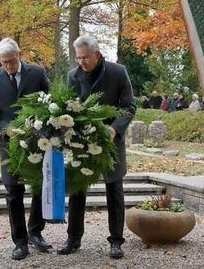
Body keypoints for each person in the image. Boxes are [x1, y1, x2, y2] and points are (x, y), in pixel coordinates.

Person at [58, 35, 136, 260]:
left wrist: (114, 129)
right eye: (77, 57)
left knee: (114, 190)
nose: (80, 61)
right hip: (81, 142)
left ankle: (116, 241)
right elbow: (69, 108)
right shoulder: (72, 75)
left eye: (84, 57)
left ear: (97, 54)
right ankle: (73, 238)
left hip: (111, 141)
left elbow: (129, 106)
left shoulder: (118, 72)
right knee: (77, 191)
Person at [0, 38, 51, 260]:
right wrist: (6, 129)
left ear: (19, 54)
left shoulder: (37, 73)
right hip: (10, 145)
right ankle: (19, 241)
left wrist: (43, 125)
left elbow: (49, 102)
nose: (9, 67)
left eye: (11, 61)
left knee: (39, 187)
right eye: (4, 63)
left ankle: (36, 231)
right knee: (13, 191)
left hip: (37, 140)